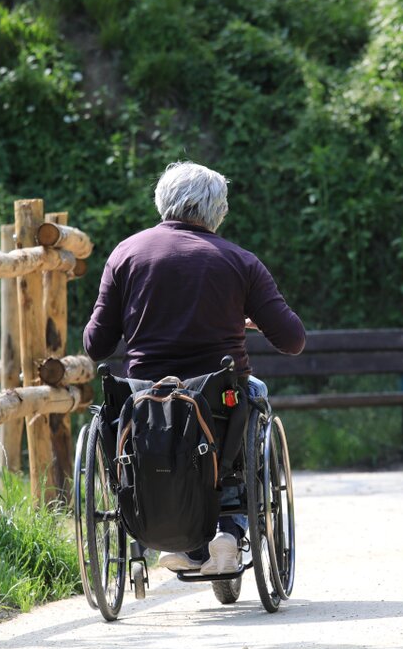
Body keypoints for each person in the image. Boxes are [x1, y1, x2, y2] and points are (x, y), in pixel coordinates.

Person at [84, 161, 305, 575]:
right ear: (218, 210)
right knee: (253, 394)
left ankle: (181, 542)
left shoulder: (126, 254)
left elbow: (96, 344)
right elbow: (292, 340)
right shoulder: (239, 261)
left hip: (143, 402)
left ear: (161, 202)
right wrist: (244, 316)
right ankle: (230, 528)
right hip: (220, 398)